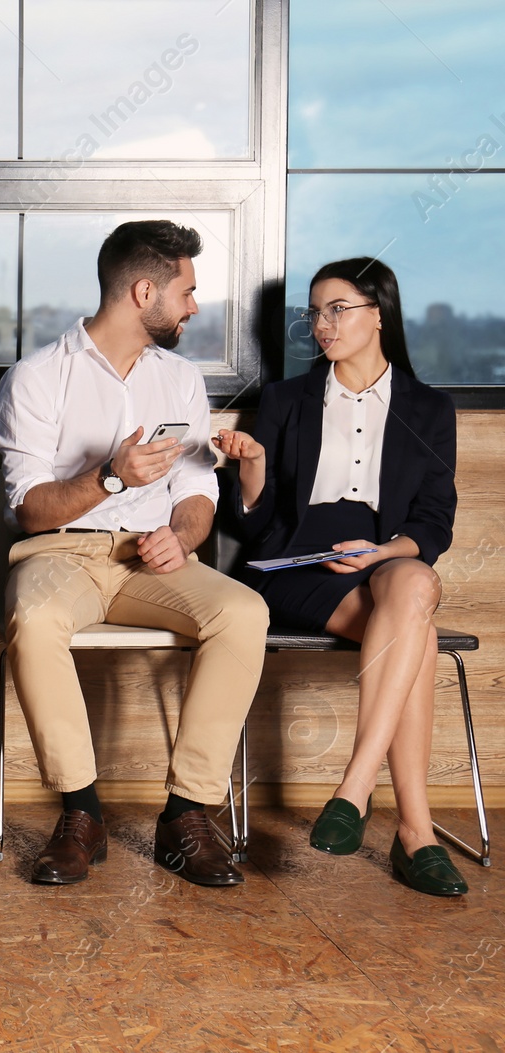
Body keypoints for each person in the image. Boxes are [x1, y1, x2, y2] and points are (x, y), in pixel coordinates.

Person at [0, 219, 267, 888]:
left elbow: (199, 487)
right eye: (187, 291)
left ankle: (186, 813)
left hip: (153, 559)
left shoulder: (178, 379)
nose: (195, 306)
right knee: (34, 622)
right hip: (60, 555)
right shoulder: (37, 377)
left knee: (243, 612)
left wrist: (183, 536)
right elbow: (28, 506)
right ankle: (81, 815)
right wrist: (111, 477)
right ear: (144, 291)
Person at [215, 258, 465, 896]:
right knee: (419, 635)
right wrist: (251, 467)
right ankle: (416, 832)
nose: (320, 325)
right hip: (295, 564)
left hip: (386, 560)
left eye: (337, 309)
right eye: (314, 312)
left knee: (411, 587)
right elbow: (252, 526)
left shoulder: (429, 408)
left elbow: (434, 523)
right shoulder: (284, 400)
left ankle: (354, 789)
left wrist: (381, 553)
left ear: (378, 314)